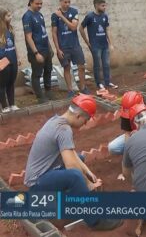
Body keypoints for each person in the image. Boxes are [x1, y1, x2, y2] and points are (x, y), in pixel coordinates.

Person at [24, 94, 123, 230]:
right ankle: (96, 221)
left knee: (79, 160)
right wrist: (87, 184)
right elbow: (71, 165)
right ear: (78, 116)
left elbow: (73, 156)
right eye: (86, 120)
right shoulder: (64, 130)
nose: (85, 124)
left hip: (43, 175)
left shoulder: (56, 120)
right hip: (37, 183)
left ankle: (73, 198)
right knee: (75, 176)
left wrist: (88, 172)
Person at [52, 0, 89, 98]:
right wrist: (58, 49)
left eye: (69, 2)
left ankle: (83, 88)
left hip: (75, 45)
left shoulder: (74, 11)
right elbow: (54, 33)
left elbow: (73, 27)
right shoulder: (54, 15)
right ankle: (70, 90)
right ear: (60, 1)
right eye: (65, 2)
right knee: (67, 68)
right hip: (63, 47)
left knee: (81, 66)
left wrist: (62, 17)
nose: (67, 4)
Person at [108, 91, 146, 155]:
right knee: (113, 147)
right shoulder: (126, 109)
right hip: (135, 134)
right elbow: (127, 133)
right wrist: (129, 152)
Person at [22, 0, 55, 104]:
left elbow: (43, 32)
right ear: (30, 2)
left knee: (48, 70)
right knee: (36, 74)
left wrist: (50, 47)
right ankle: (40, 97)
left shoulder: (39, 15)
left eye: (41, 3)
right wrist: (36, 53)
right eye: (37, 4)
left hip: (46, 49)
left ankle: (48, 91)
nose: (40, 5)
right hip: (37, 51)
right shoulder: (27, 16)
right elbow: (28, 37)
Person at [79, 0, 118, 90]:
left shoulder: (105, 16)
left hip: (104, 45)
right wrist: (87, 42)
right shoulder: (89, 17)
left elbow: (107, 29)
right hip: (95, 45)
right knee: (97, 65)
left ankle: (107, 82)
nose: (105, 7)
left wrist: (110, 43)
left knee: (106, 64)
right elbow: (81, 28)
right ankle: (99, 83)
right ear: (96, 5)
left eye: (105, 5)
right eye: (102, 5)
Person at [0, 8, 21, 113]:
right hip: (3, 61)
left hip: (12, 59)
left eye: (10, 15)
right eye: (8, 16)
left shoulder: (11, 29)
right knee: (2, 84)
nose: (11, 17)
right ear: (2, 18)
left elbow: (14, 45)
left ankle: (12, 104)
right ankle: (4, 106)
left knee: (11, 83)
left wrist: (18, 57)